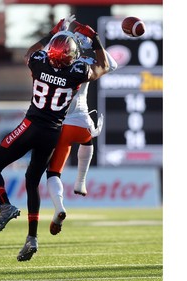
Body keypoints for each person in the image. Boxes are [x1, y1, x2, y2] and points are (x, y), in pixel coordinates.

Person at [0, 17, 110, 262]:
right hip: (52, 133)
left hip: (30, 125)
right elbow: (103, 66)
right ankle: (32, 237)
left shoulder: (39, 63)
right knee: (32, 181)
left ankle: (5, 206)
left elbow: (30, 53)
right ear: (71, 57)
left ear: (51, 51)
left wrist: (52, 32)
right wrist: (94, 39)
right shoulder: (76, 73)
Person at [44, 29, 118, 235]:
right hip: (82, 123)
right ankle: (81, 181)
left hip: (60, 125)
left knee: (53, 172)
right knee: (87, 142)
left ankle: (59, 207)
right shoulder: (83, 65)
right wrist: (94, 44)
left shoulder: (51, 63)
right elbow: (111, 64)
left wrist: (60, 32)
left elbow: (46, 52)